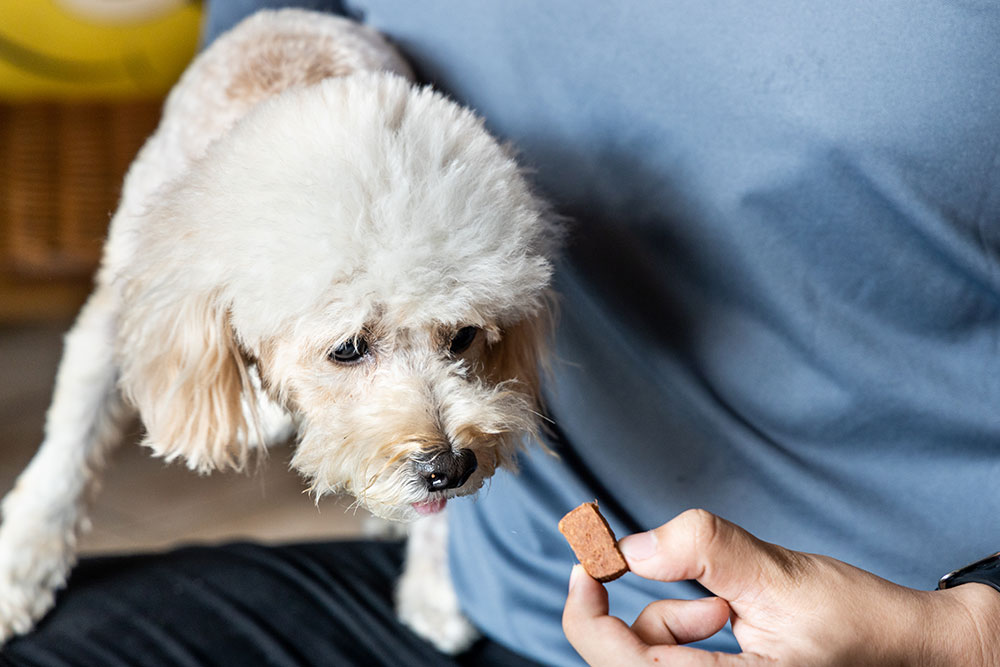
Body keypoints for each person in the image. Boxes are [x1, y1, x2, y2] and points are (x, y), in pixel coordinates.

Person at [6, 1, 1000, 665]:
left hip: (904, 620)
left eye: (461, 337)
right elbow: (266, 43)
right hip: (500, 592)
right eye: (355, 347)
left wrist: (960, 631)